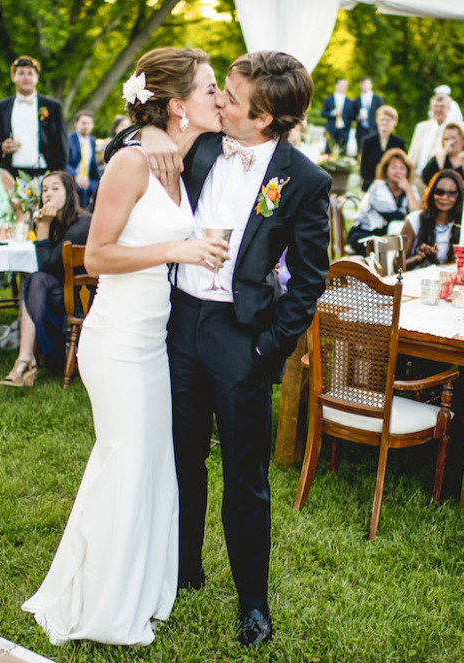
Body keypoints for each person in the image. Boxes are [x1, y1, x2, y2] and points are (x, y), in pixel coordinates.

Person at [20, 47, 229, 647]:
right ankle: (101, 606)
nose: (219, 98)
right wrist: (177, 250)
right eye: (211, 88)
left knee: (148, 468)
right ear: (178, 105)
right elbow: (97, 257)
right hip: (115, 343)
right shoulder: (134, 162)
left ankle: (140, 588)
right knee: (125, 462)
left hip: (151, 343)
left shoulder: (177, 155)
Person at [141, 50, 331, 647]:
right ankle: (183, 569)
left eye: (230, 94)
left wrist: (268, 349)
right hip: (179, 323)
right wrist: (148, 131)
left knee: (244, 476)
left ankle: (253, 602)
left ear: (266, 118)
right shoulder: (198, 143)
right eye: (220, 89)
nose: (218, 99)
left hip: (241, 337)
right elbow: (129, 136)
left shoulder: (303, 179)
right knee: (181, 456)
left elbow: (308, 278)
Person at [0, 171, 90, 387]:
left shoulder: (82, 224)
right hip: (60, 290)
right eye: (45, 189)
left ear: (70, 193)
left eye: (55, 189)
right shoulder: (54, 221)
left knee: (37, 281)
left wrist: (43, 226)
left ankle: (27, 360)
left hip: (83, 295)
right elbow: (47, 268)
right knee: (35, 282)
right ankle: (25, 358)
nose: (48, 194)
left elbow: (46, 264)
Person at [0, 55, 67, 177]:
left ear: (37, 77)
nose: (26, 77)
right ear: (13, 77)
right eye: (21, 73)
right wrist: (1, 146)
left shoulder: (53, 107)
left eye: (30, 73)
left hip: (44, 171)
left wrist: (58, 174)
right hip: (8, 172)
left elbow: (62, 144)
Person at [346, 148, 419, 254]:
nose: (398, 171)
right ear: (386, 170)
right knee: (388, 249)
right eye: (394, 167)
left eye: (402, 168)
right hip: (365, 233)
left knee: (407, 247)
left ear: (407, 172)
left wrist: (408, 190)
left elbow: (416, 214)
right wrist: (408, 217)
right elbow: (392, 215)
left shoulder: (411, 189)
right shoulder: (378, 187)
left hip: (393, 236)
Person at [401, 169, 464, 269]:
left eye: (451, 194)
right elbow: (397, 265)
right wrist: (419, 257)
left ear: (459, 196)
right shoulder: (414, 219)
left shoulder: (463, 225)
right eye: (439, 192)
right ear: (431, 192)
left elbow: (458, 269)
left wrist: (435, 260)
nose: (444, 197)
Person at [421, 122, 464, 195]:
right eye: (446, 139)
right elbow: (426, 178)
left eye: (453, 138)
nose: (450, 142)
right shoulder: (438, 158)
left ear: (463, 140)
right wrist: (443, 154)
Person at [358, 105, 404, 191]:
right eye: (382, 119)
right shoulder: (367, 141)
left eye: (389, 120)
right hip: (370, 186)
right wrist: (373, 184)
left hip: (392, 188)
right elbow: (363, 166)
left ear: (395, 122)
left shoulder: (399, 143)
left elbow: (402, 166)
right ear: (377, 120)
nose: (385, 122)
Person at [409, 94, 453, 174]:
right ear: (431, 108)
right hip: (417, 177)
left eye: (442, 106)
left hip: (440, 177)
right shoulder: (421, 127)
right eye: (436, 106)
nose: (438, 109)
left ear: (449, 109)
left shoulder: (453, 129)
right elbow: (413, 153)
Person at [67, 110, 100, 210]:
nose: (86, 126)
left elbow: (93, 165)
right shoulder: (69, 139)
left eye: (89, 123)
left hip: (88, 179)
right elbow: (65, 162)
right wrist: (76, 176)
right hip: (73, 178)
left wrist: (101, 181)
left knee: (100, 188)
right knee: (80, 188)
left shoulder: (92, 141)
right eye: (83, 123)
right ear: (76, 124)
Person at [320, 78, 355, 154]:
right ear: (336, 86)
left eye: (345, 86)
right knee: (329, 152)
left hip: (344, 130)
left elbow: (352, 116)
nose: (344, 87)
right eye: (342, 85)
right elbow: (323, 113)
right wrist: (332, 113)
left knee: (342, 153)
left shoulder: (350, 102)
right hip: (331, 129)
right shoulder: (329, 99)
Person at [352, 76, 383, 149]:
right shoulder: (356, 100)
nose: (365, 86)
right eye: (363, 84)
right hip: (361, 131)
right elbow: (352, 115)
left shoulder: (378, 99)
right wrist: (358, 117)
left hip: (374, 130)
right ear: (360, 86)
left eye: (367, 84)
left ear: (371, 85)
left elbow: (382, 114)